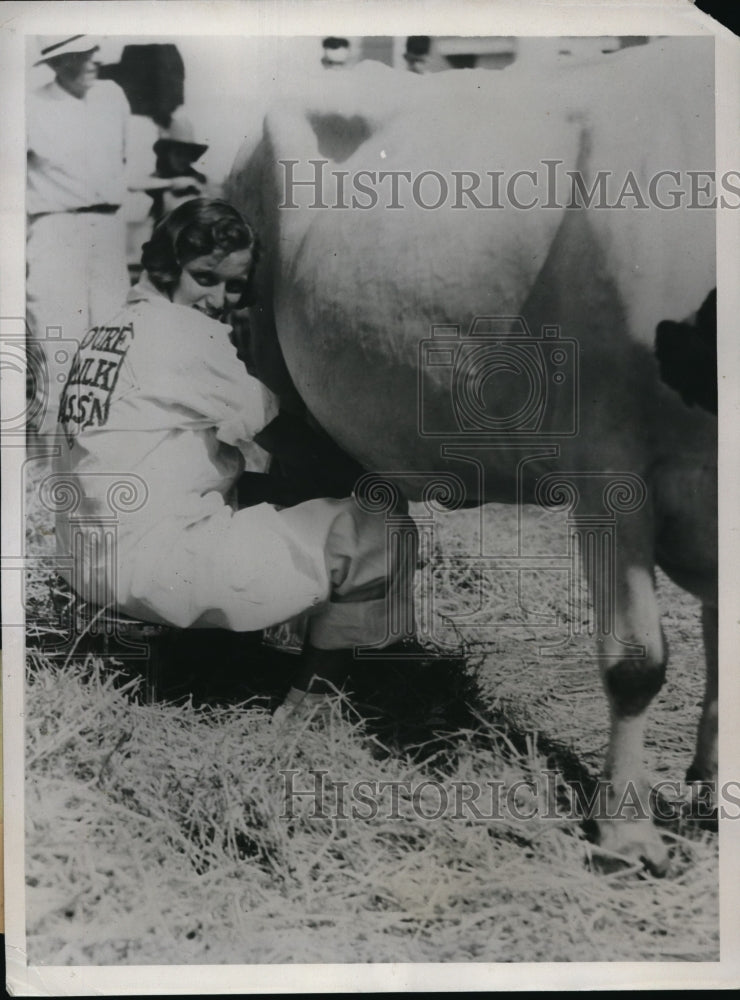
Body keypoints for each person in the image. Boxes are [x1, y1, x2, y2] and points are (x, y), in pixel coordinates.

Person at [54, 198, 417, 720]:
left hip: (86, 558)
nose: (218, 300)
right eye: (204, 277)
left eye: (234, 286)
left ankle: (221, 648)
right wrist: (389, 480)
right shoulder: (185, 334)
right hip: (147, 569)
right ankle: (312, 710)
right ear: (165, 266)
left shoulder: (109, 327)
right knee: (377, 526)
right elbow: (285, 437)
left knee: (277, 492)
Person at [26, 35, 132, 434]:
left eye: (93, 51)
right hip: (56, 229)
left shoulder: (113, 96)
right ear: (57, 63)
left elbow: (123, 159)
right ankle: (47, 464)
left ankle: (104, 456)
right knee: (58, 350)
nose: (95, 60)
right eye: (82, 54)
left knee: (111, 348)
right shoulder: (30, 105)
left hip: (108, 229)